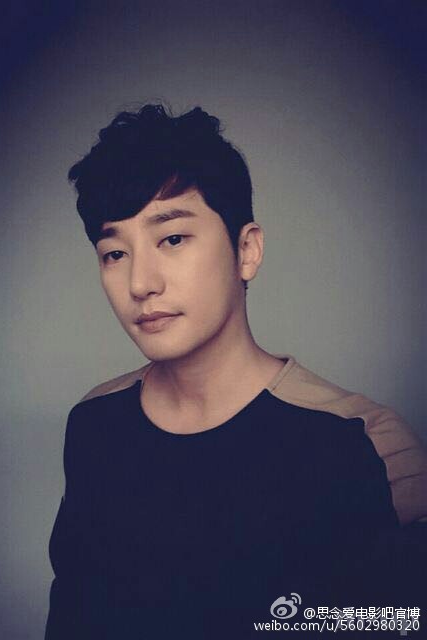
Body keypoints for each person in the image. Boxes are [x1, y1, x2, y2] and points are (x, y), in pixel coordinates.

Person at [45, 104, 427, 639]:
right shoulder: (94, 425)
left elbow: (395, 621)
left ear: (246, 250)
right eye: (114, 253)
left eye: (172, 239)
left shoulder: (364, 441)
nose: (140, 284)